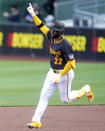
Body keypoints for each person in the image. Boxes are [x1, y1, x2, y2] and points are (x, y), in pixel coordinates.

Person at [27, 3, 94, 128]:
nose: (51, 31)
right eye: (52, 29)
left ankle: (85, 90)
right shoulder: (50, 36)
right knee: (43, 97)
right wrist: (33, 14)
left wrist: (61, 75)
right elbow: (41, 26)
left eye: (54, 30)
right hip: (52, 72)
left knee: (66, 100)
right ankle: (36, 121)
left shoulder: (65, 44)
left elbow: (72, 63)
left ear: (59, 32)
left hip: (65, 74)